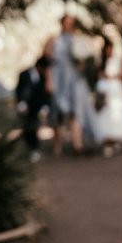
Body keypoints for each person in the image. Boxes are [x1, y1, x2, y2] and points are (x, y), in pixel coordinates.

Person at [48, 15, 83, 155]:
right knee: (57, 111)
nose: (68, 25)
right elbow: (47, 60)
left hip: (72, 79)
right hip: (58, 78)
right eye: (66, 23)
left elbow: (81, 64)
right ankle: (57, 144)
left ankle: (77, 144)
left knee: (75, 110)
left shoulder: (77, 40)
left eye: (71, 23)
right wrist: (49, 79)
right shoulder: (54, 40)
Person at [95, 39, 122, 156]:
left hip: (116, 91)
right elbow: (97, 75)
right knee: (104, 114)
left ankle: (113, 141)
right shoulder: (100, 61)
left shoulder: (117, 60)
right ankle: (108, 141)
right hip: (104, 91)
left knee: (115, 114)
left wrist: (115, 76)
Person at [16, 56, 51, 162]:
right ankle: (27, 149)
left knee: (34, 127)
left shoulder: (43, 77)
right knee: (26, 128)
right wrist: (21, 103)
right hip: (25, 107)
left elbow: (45, 94)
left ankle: (34, 149)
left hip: (36, 107)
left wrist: (45, 106)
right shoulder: (24, 74)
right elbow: (19, 90)